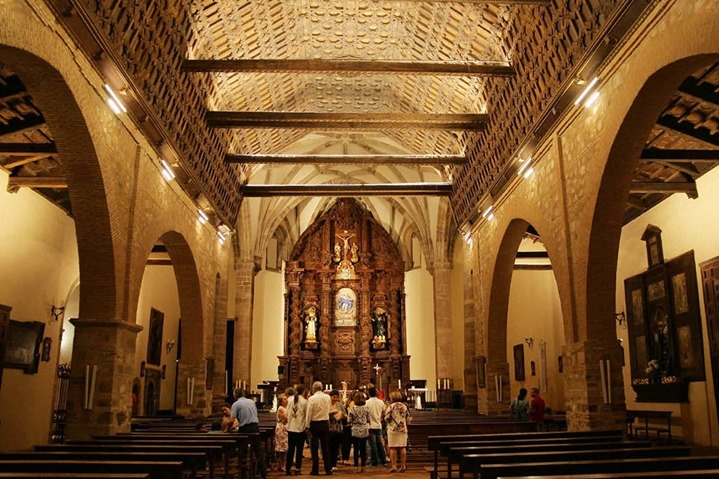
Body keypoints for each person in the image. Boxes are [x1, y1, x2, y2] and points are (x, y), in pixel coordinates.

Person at [231, 388, 266, 478]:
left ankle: (244, 474)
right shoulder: (251, 402)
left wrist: (228, 428)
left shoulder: (236, 404)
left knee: (243, 451)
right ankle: (263, 472)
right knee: (258, 451)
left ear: (236, 395)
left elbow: (232, 419)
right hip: (255, 427)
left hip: (245, 428)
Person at [305, 381, 333, 476]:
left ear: (314, 389)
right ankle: (328, 469)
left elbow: (309, 412)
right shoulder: (327, 397)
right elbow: (328, 409)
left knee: (314, 448)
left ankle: (315, 470)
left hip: (315, 424)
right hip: (325, 423)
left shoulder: (312, 399)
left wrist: (307, 425)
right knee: (326, 447)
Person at [384, 390, 410, 472]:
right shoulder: (404, 406)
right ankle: (403, 466)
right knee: (402, 447)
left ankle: (394, 466)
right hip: (402, 428)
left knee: (393, 448)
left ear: (393, 398)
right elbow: (408, 417)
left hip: (393, 429)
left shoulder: (391, 406)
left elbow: (386, 417)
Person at [286, 385, 307, 475]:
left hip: (291, 427)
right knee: (299, 450)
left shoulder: (289, 400)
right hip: (300, 428)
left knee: (290, 449)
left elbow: (287, 412)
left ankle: (288, 468)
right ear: (303, 392)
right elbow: (306, 414)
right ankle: (297, 468)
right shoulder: (304, 402)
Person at [348, 391, 370, 473]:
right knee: (363, 448)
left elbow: (349, 420)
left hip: (355, 429)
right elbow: (369, 419)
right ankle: (363, 466)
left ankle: (356, 467)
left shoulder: (353, 408)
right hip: (364, 429)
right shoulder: (367, 408)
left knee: (356, 449)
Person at [365, 386, 387, 467]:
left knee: (372, 444)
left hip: (370, 426)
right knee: (380, 443)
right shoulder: (381, 402)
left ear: (368, 393)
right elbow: (384, 412)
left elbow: (366, 414)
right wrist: (380, 417)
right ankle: (383, 460)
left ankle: (374, 461)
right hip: (378, 425)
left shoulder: (367, 402)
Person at [328, 390, 346, 471]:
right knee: (329, 447)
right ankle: (328, 464)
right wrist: (331, 413)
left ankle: (334, 464)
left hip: (338, 428)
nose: (335, 399)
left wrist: (343, 415)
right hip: (329, 427)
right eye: (334, 397)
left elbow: (345, 414)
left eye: (337, 397)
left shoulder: (339, 405)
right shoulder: (327, 404)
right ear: (330, 397)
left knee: (336, 447)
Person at [275, 393, 289, 472]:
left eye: (286, 399)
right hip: (281, 429)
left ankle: (282, 464)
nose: (286, 400)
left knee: (285, 448)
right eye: (284, 399)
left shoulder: (286, 408)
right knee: (281, 448)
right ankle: (280, 465)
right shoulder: (281, 408)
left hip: (285, 428)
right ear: (280, 402)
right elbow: (286, 418)